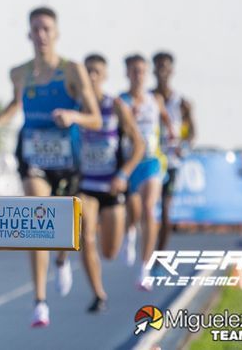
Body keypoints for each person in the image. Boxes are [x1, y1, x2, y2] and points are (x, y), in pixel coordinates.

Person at [0, 7, 101, 328]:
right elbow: (15, 104)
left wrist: (73, 117)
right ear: (29, 34)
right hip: (33, 155)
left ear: (56, 34)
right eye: (36, 29)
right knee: (36, 213)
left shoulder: (73, 70)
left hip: (67, 158)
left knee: (67, 225)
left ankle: (61, 257)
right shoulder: (19, 72)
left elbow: (95, 117)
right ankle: (40, 301)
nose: (42, 34)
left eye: (47, 28)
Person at [77, 54, 145, 313]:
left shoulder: (114, 105)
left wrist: (124, 174)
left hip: (112, 186)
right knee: (85, 236)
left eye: (97, 71)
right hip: (86, 186)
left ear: (104, 76)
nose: (92, 76)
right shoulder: (78, 106)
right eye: (88, 71)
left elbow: (140, 145)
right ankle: (98, 293)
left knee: (110, 252)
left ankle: (127, 231)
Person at [118, 54, 173, 290]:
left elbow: (167, 122)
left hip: (152, 161)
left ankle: (144, 268)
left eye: (141, 70)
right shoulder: (120, 101)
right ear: (127, 73)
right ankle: (130, 231)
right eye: (133, 71)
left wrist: (172, 133)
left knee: (150, 210)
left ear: (146, 73)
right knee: (134, 212)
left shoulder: (155, 99)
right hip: (130, 163)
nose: (138, 75)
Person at [152, 51, 196, 252]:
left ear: (172, 70)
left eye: (165, 66)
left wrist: (183, 147)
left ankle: (159, 254)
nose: (162, 70)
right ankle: (143, 250)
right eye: (158, 66)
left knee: (166, 211)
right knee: (146, 210)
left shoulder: (181, 102)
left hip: (171, 163)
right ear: (153, 69)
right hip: (151, 161)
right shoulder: (148, 98)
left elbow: (192, 132)